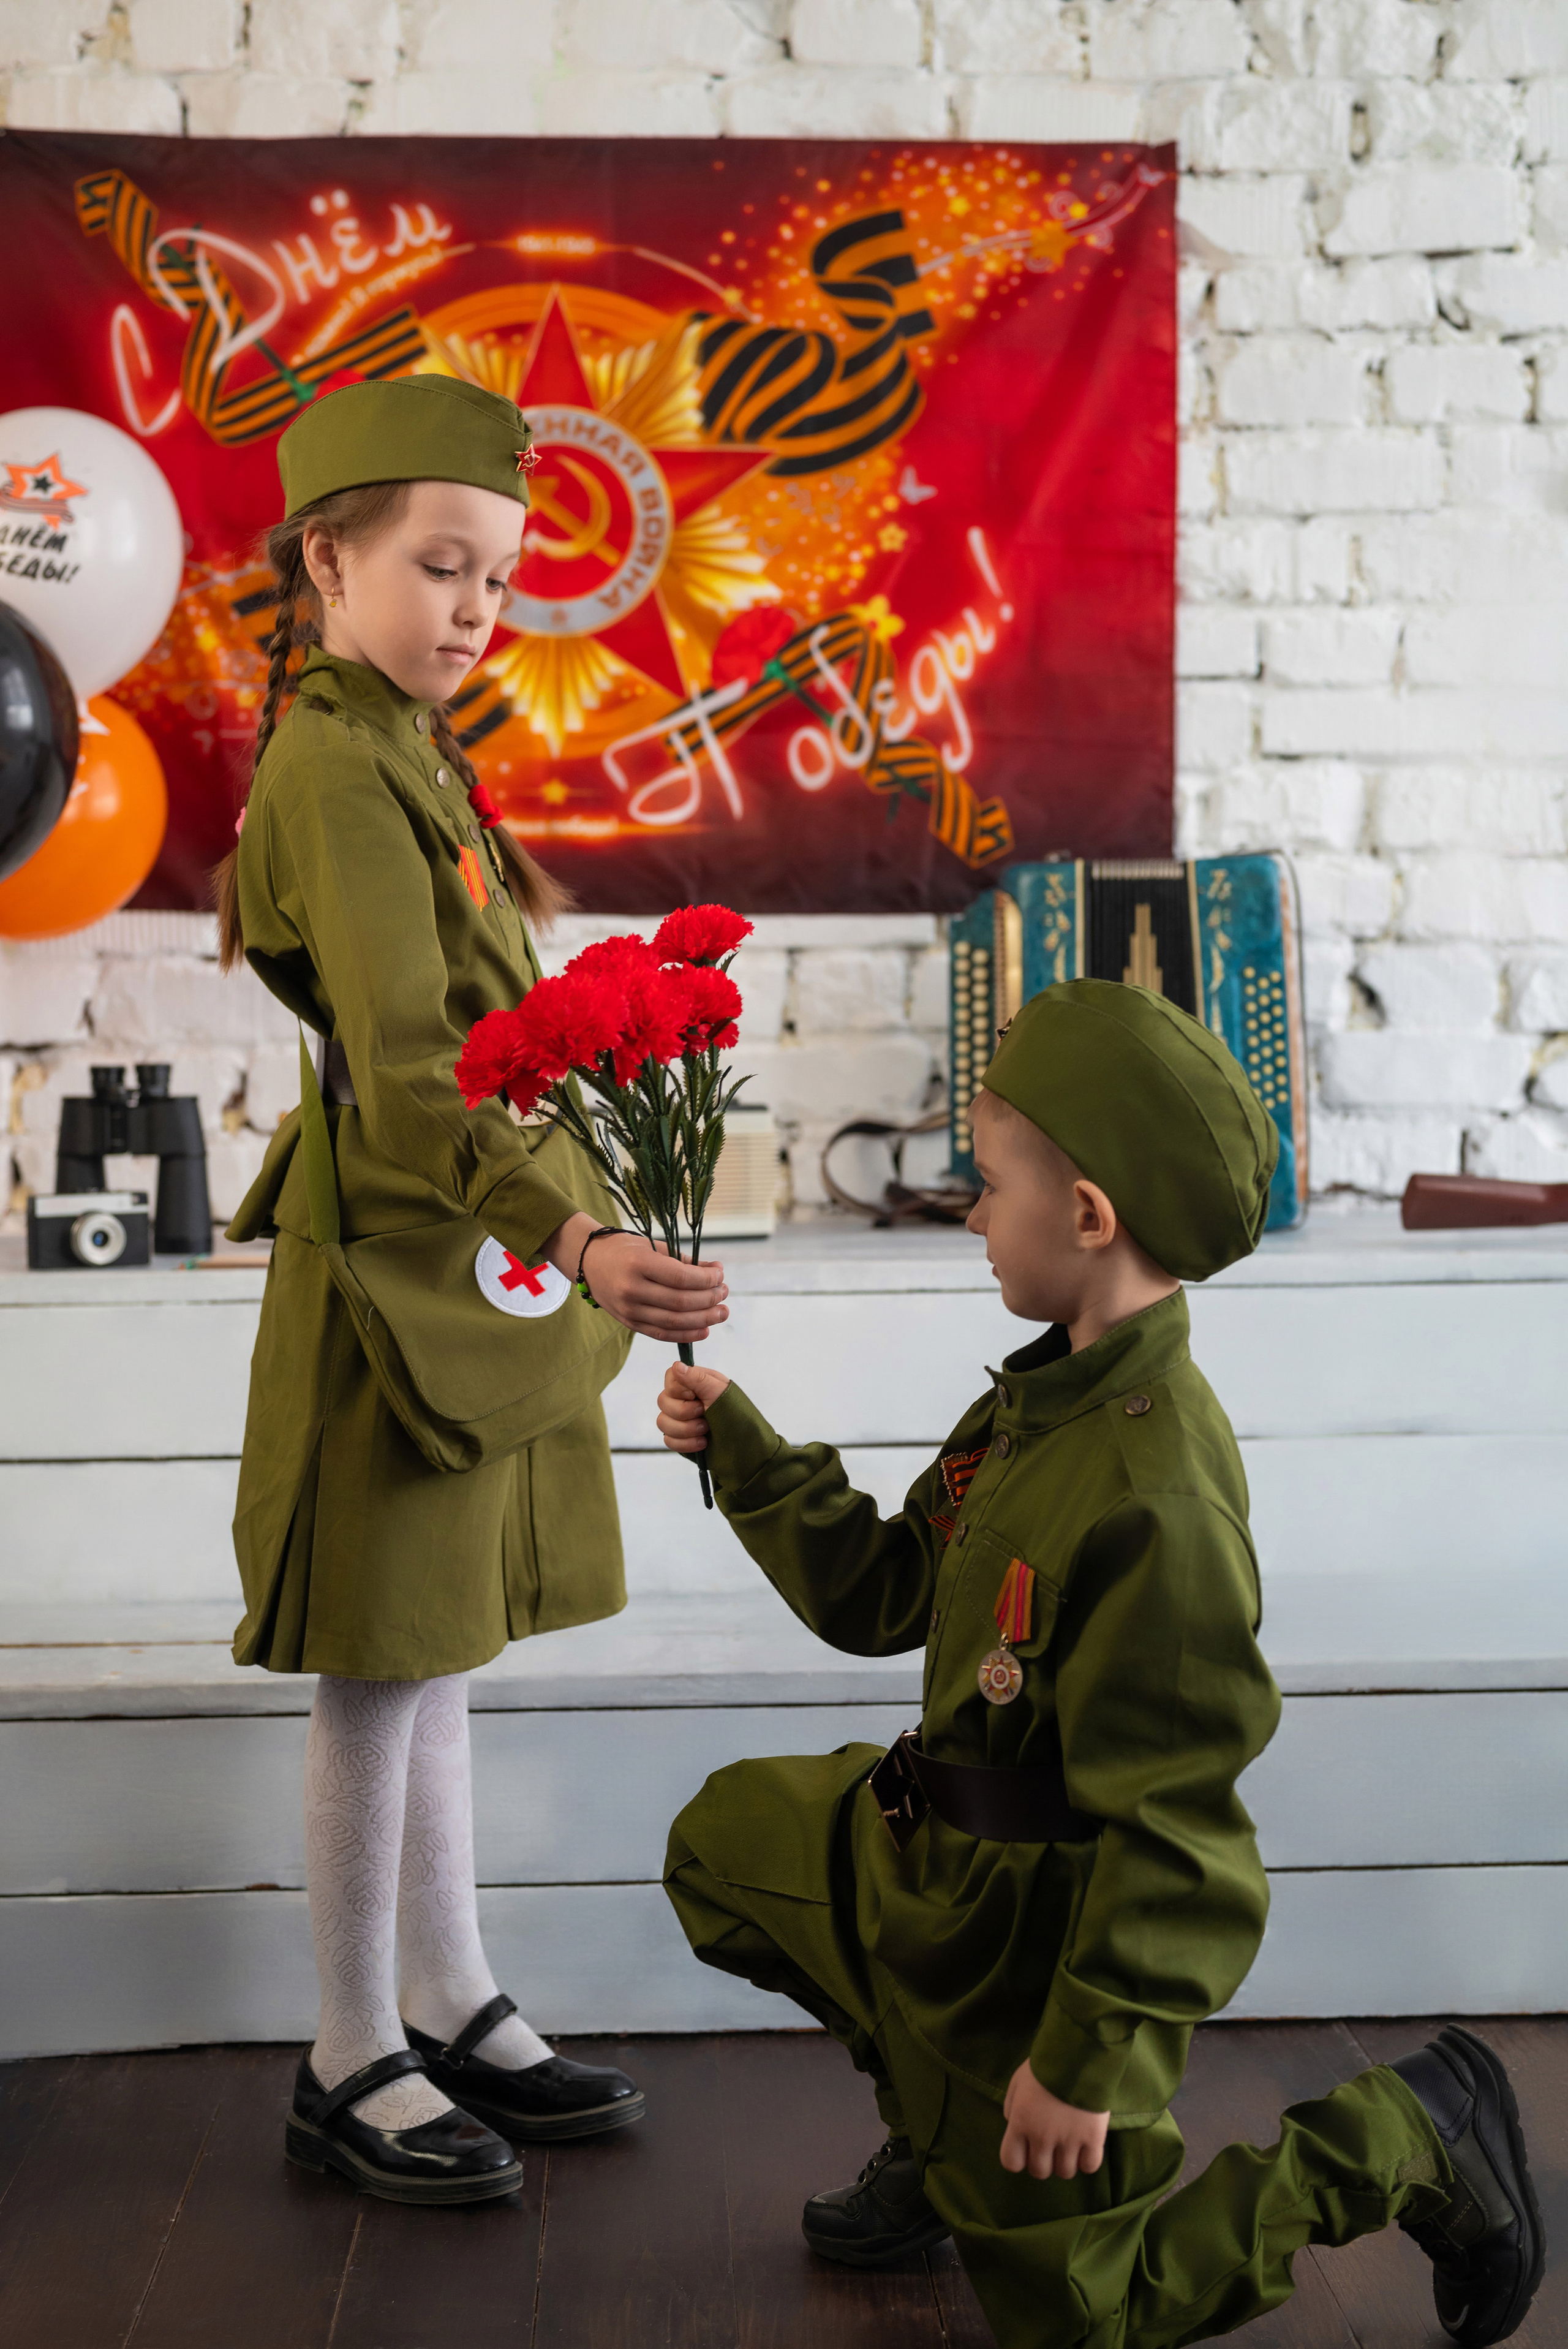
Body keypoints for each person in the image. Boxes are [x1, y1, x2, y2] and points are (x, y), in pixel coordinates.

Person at [655, 980, 1542, 2348]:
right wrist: (745, 1451)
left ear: (1086, 1218)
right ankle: (940, 2146)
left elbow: (1180, 1835)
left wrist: (1083, 2066)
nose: (967, 1214)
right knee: (722, 1848)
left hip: (1034, 1945)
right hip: (925, 1869)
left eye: (988, 1182)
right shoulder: (1040, 1397)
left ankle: (1403, 2132)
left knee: (1092, 2317)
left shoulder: (1156, 1496)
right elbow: (890, 1590)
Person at [219, 373, 728, 2206]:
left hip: (452, 1259)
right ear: (326, 557)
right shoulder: (331, 762)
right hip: (386, 1273)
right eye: (440, 566)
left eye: (499, 582)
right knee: (377, 1658)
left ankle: (445, 1990)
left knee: (438, 1646)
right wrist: (587, 1235)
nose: (472, 608)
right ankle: (346, 2048)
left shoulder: (412, 751)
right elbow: (422, 1067)